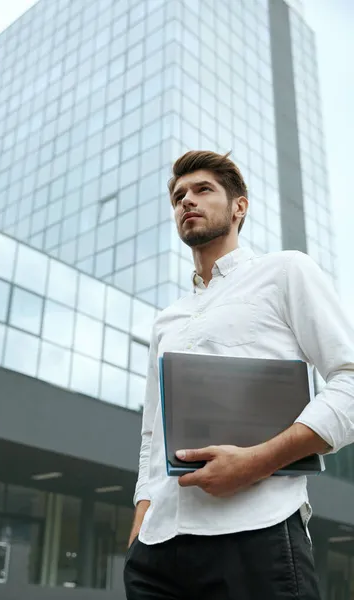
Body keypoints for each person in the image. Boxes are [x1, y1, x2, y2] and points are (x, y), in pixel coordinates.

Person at [123, 150, 354, 600]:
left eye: (202, 189)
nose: (186, 200)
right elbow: (152, 433)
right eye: (178, 196)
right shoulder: (168, 319)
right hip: (157, 553)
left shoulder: (285, 271)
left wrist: (257, 461)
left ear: (239, 206)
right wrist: (142, 515)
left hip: (256, 533)